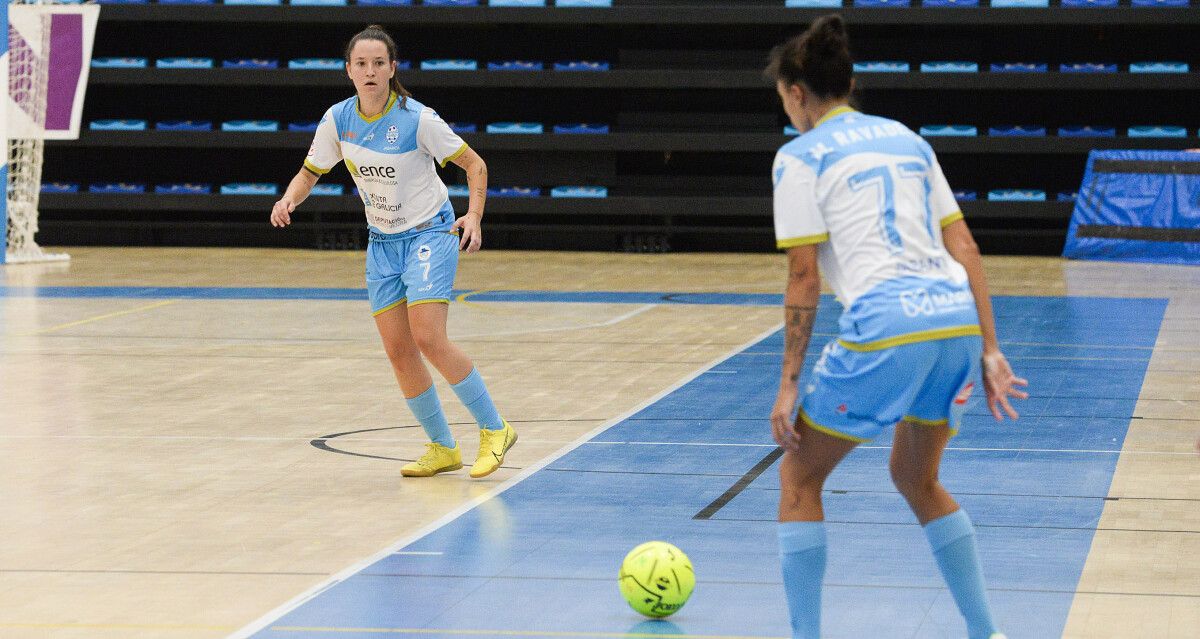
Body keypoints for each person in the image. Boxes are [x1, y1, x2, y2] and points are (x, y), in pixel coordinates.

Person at [764, 15, 1029, 639]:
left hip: (887, 327)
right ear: (850, 82)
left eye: (784, 100)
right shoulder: (909, 141)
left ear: (798, 94)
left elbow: (805, 278)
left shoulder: (799, 157)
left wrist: (788, 384)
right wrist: (990, 349)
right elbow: (962, 242)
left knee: (800, 476)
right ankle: (985, 632)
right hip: (954, 320)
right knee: (916, 476)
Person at [270, 25, 515, 479]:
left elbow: (474, 164)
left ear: (392, 69)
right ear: (348, 71)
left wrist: (474, 216)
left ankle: (495, 428)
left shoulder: (417, 119)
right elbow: (309, 174)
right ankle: (442, 447)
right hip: (382, 242)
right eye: (360, 64)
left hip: (430, 233)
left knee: (427, 336)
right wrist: (288, 199)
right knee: (400, 350)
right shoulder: (338, 120)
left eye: (378, 63)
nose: (369, 71)